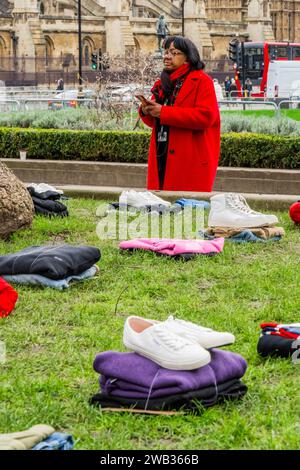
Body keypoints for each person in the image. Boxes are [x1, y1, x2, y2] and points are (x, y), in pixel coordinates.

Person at [139, 36, 220, 192]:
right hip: (162, 152)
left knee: (187, 210)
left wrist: (163, 112)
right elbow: (154, 121)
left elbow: (206, 117)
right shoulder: (163, 83)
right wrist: (146, 110)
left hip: (190, 157)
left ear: (187, 58)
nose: (167, 56)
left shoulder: (202, 81)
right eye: (166, 52)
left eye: (174, 52)